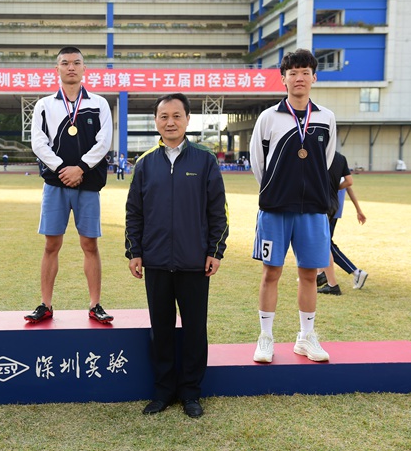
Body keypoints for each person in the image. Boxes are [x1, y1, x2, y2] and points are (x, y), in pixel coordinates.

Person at [126, 93, 228, 418]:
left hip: (194, 262)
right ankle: (164, 391)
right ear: (156, 121)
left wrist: (215, 251)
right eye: (164, 116)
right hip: (156, 261)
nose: (170, 122)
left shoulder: (204, 160)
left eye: (176, 116)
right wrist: (135, 252)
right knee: (161, 329)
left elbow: (218, 210)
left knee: (195, 330)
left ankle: (191, 393)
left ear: (187, 119)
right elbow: (134, 212)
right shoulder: (145, 163)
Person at [249, 49, 337, 363]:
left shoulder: (326, 118)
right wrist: (277, 189)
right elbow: (258, 163)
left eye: (305, 72)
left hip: (313, 209)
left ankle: (306, 337)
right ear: (283, 79)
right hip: (275, 208)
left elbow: (326, 161)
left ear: (314, 77)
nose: (299, 78)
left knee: (310, 274)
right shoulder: (268, 118)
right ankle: (266, 337)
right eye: (293, 73)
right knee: (271, 272)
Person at [26, 46, 113, 324]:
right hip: (56, 183)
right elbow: (38, 142)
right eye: (65, 63)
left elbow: (104, 141)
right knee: (51, 244)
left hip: (88, 183)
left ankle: (95, 304)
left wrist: (81, 168)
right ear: (57, 69)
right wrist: (62, 169)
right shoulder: (44, 105)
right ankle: (46, 304)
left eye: (76, 62)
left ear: (85, 68)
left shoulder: (99, 103)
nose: (71, 67)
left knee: (90, 244)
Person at [316, 153, 368, 294]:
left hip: (327, 208)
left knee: (326, 244)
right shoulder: (339, 160)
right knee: (325, 243)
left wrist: (358, 209)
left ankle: (355, 271)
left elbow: (348, 185)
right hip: (335, 208)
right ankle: (321, 274)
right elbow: (349, 186)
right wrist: (358, 209)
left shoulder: (327, 160)